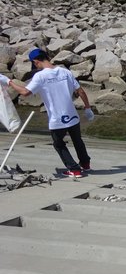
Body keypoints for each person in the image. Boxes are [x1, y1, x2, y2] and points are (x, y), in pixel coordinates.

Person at [0, 48, 94, 178]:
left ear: (36, 61)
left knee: (58, 144)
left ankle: (74, 169)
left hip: (57, 119)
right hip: (72, 115)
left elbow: (25, 92)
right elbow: (81, 91)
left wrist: (8, 81)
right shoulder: (65, 72)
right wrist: (88, 108)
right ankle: (85, 164)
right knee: (77, 140)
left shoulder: (40, 76)